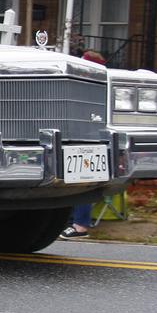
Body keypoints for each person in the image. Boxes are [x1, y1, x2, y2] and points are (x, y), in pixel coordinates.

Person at [61, 48, 107, 240]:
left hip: (89, 138)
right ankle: (70, 221)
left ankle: (80, 226)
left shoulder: (94, 85)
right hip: (78, 135)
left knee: (83, 178)